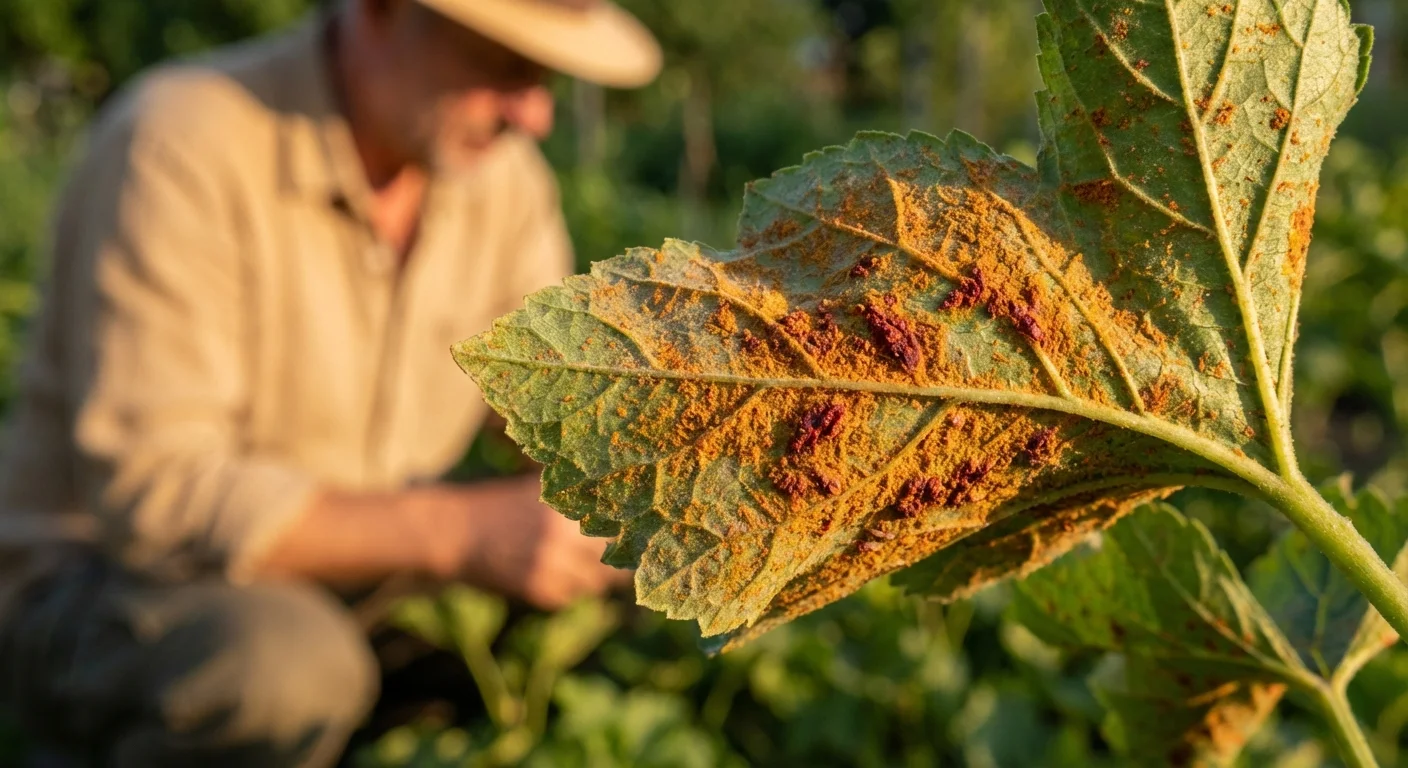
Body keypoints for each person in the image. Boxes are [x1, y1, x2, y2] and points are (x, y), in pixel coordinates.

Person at [0, 0, 661, 765]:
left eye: (542, 75)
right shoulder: (186, 140)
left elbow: (552, 411)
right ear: (378, 13)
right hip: (114, 582)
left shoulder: (498, 179)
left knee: (654, 569)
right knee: (281, 669)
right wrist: (463, 531)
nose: (536, 114)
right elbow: (156, 494)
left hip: (368, 580)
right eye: (501, 66)